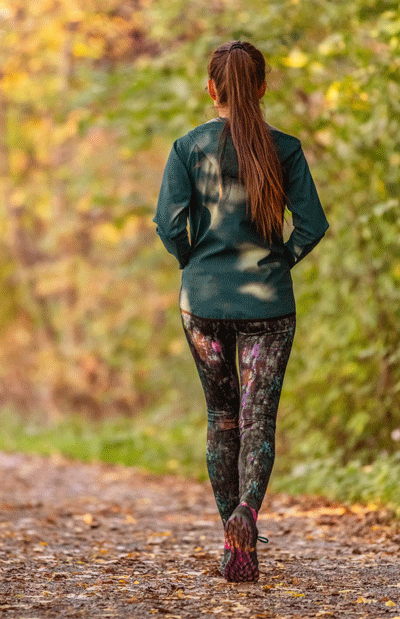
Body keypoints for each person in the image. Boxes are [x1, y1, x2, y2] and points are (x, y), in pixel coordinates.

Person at [154, 40, 329, 583]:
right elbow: (312, 226)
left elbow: (167, 223)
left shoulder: (188, 147)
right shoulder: (285, 149)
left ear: (212, 90)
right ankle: (247, 514)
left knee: (221, 417)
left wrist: (195, 264)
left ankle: (236, 551)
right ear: (262, 87)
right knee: (258, 420)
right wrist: (280, 262)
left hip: (203, 304)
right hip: (268, 304)